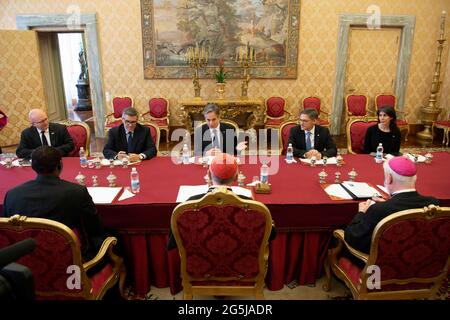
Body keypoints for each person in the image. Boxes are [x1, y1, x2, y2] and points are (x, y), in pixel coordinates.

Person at [2, 146, 105, 260]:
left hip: (25, 261)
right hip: (69, 262)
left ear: (32, 166)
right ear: (60, 164)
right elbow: (95, 229)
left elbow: (7, 232)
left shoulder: (12, 194)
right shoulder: (77, 192)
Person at [167, 153, 276, 250]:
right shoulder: (251, 206)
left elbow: (173, 241)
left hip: (198, 267)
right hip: (243, 268)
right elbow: (271, 234)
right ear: (236, 177)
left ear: (208, 175)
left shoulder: (188, 205)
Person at [345, 156, 439, 254]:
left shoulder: (378, 210)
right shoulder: (433, 203)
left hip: (378, 266)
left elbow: (353, 239)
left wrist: (361, 213)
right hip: (420, 262)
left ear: (389, 178)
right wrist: (387, 203)